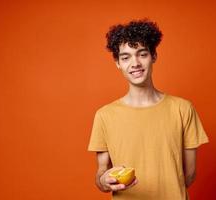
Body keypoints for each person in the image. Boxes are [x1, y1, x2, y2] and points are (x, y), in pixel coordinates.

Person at [88, 19, 209, 200]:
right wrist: (104, 180)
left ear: (154, 56)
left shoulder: (183, 109)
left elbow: (189, 174)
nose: (135, 63)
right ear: (117, 63)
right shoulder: (104, 116)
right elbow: (101, 176)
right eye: (126, 57)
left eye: (142, 54)